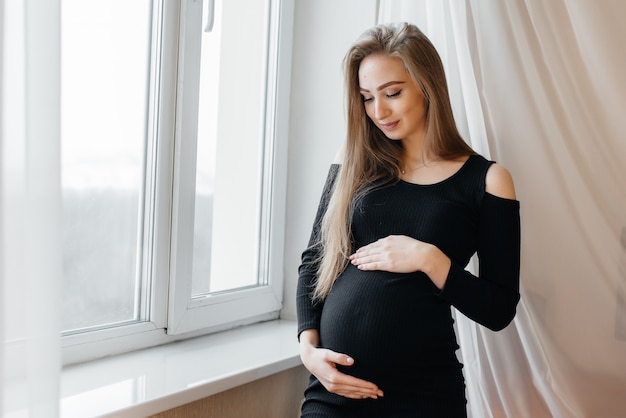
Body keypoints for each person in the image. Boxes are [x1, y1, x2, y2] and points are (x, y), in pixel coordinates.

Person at [296, 22, 521, 417]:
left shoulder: (486, 181)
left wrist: (429, 259)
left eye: (393, 93)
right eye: (367, 98)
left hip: (424, 394)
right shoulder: (351, 160)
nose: (378, 111)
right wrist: (308, 349)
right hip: (334, 392)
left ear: (428, 86)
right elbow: (315, 261)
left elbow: (499, 309)